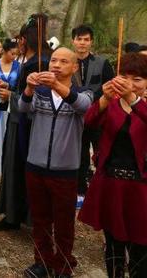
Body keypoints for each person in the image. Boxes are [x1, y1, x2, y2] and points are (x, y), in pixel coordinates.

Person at [19, 47, 93, 278]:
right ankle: (42, 262)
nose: (56, 65)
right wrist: (30, 87)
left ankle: (62, 265)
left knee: (63, 223)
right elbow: (22, 108)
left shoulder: (85, 93)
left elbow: (83, 106)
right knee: (40, 220)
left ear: (75, 67)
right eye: (53, 60)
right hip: (35, 166)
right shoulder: (40, 93)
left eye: (63, 61)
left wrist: (57, 86)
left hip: (65, 171)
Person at [78, 53, 147, 278]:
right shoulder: (113, 104)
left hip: (140, 189)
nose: (130, 83)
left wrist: (133, 99)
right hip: (111, 184)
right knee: (114, 246)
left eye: (137, 79)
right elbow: (88, 122)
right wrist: (105, 100)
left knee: (140, 249)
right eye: (125, 77)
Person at [0, 17, 51, 231]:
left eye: (20, 38)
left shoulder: (42, 61)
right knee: (13, 165)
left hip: (29, 124)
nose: (18, 43)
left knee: (22, 167)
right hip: (18, 120)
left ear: (27, 39)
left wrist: (11, 95)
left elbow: (39, 97)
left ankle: (23, 216)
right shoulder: (31, 59)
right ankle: (13, 214)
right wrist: (9, 86)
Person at [71, 24, 114, 203]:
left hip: (98, 116)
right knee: (78, 154)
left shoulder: (102, 63)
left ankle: (102, 190)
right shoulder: (66, 61)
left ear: (91, 42)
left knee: (100, 152)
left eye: (86, 39)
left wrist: (93, 100)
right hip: (74, 116)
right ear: (73, 41)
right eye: (79, 39)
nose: (82, 43)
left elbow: (110, 87)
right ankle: (80, 190)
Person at [0, 38, 20, 176]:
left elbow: (19, 86)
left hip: (9, 106)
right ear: (5, 52)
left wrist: (9, 88)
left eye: (16, 54)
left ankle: (2, 164)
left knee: (6, 134)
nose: (14, 56)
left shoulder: (18, 66)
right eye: (12, 53)